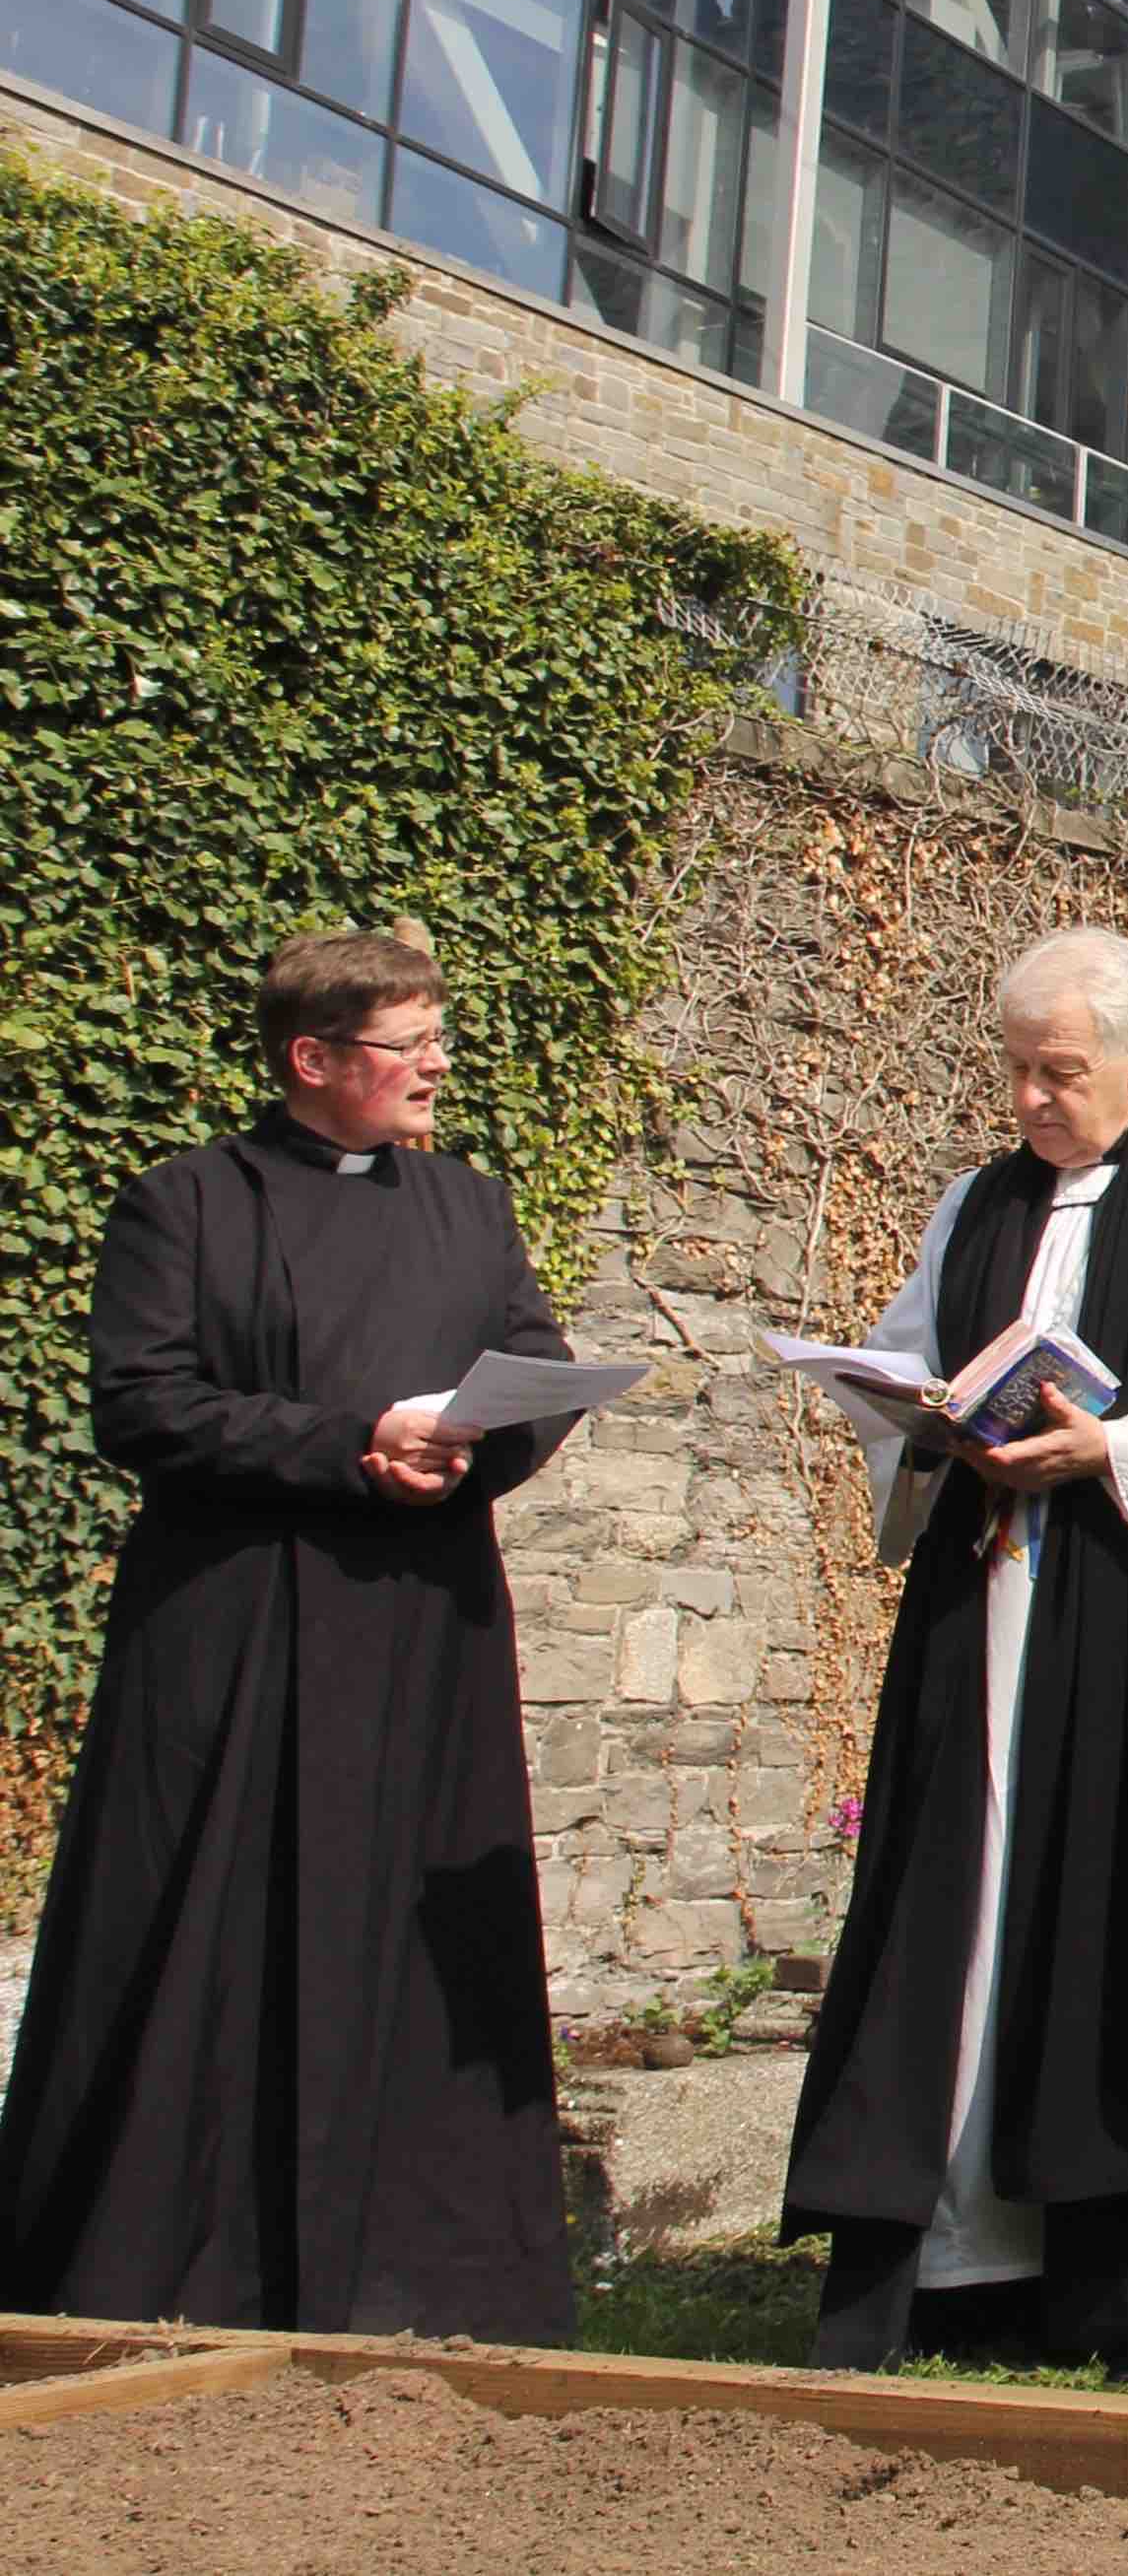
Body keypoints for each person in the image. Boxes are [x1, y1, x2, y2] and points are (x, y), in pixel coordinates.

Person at [0, 928, 587, 2338]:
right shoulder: (185, 1204)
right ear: (312, 1059)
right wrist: (345, 1442)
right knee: (205, 1914)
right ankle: (165, 2263)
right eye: (407, 1042)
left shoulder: (470, 1205)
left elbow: (544, 1366)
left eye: (438, 1033)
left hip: (422, 1636)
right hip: (240, 1627)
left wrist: (465, 1454)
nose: (436, 1062)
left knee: (407, 1928)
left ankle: (430, 2272)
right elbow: (143, 1402)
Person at [781, 927, 1128, 2379]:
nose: (1032, 1099)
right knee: (961, 1913)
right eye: (1017, 1068)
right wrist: (916, 1413)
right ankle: (963, 2257)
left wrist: (1118, 1446)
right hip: (988, 1615)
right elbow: (908, 1365)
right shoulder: (974, 1204)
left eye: (1062, 1071)